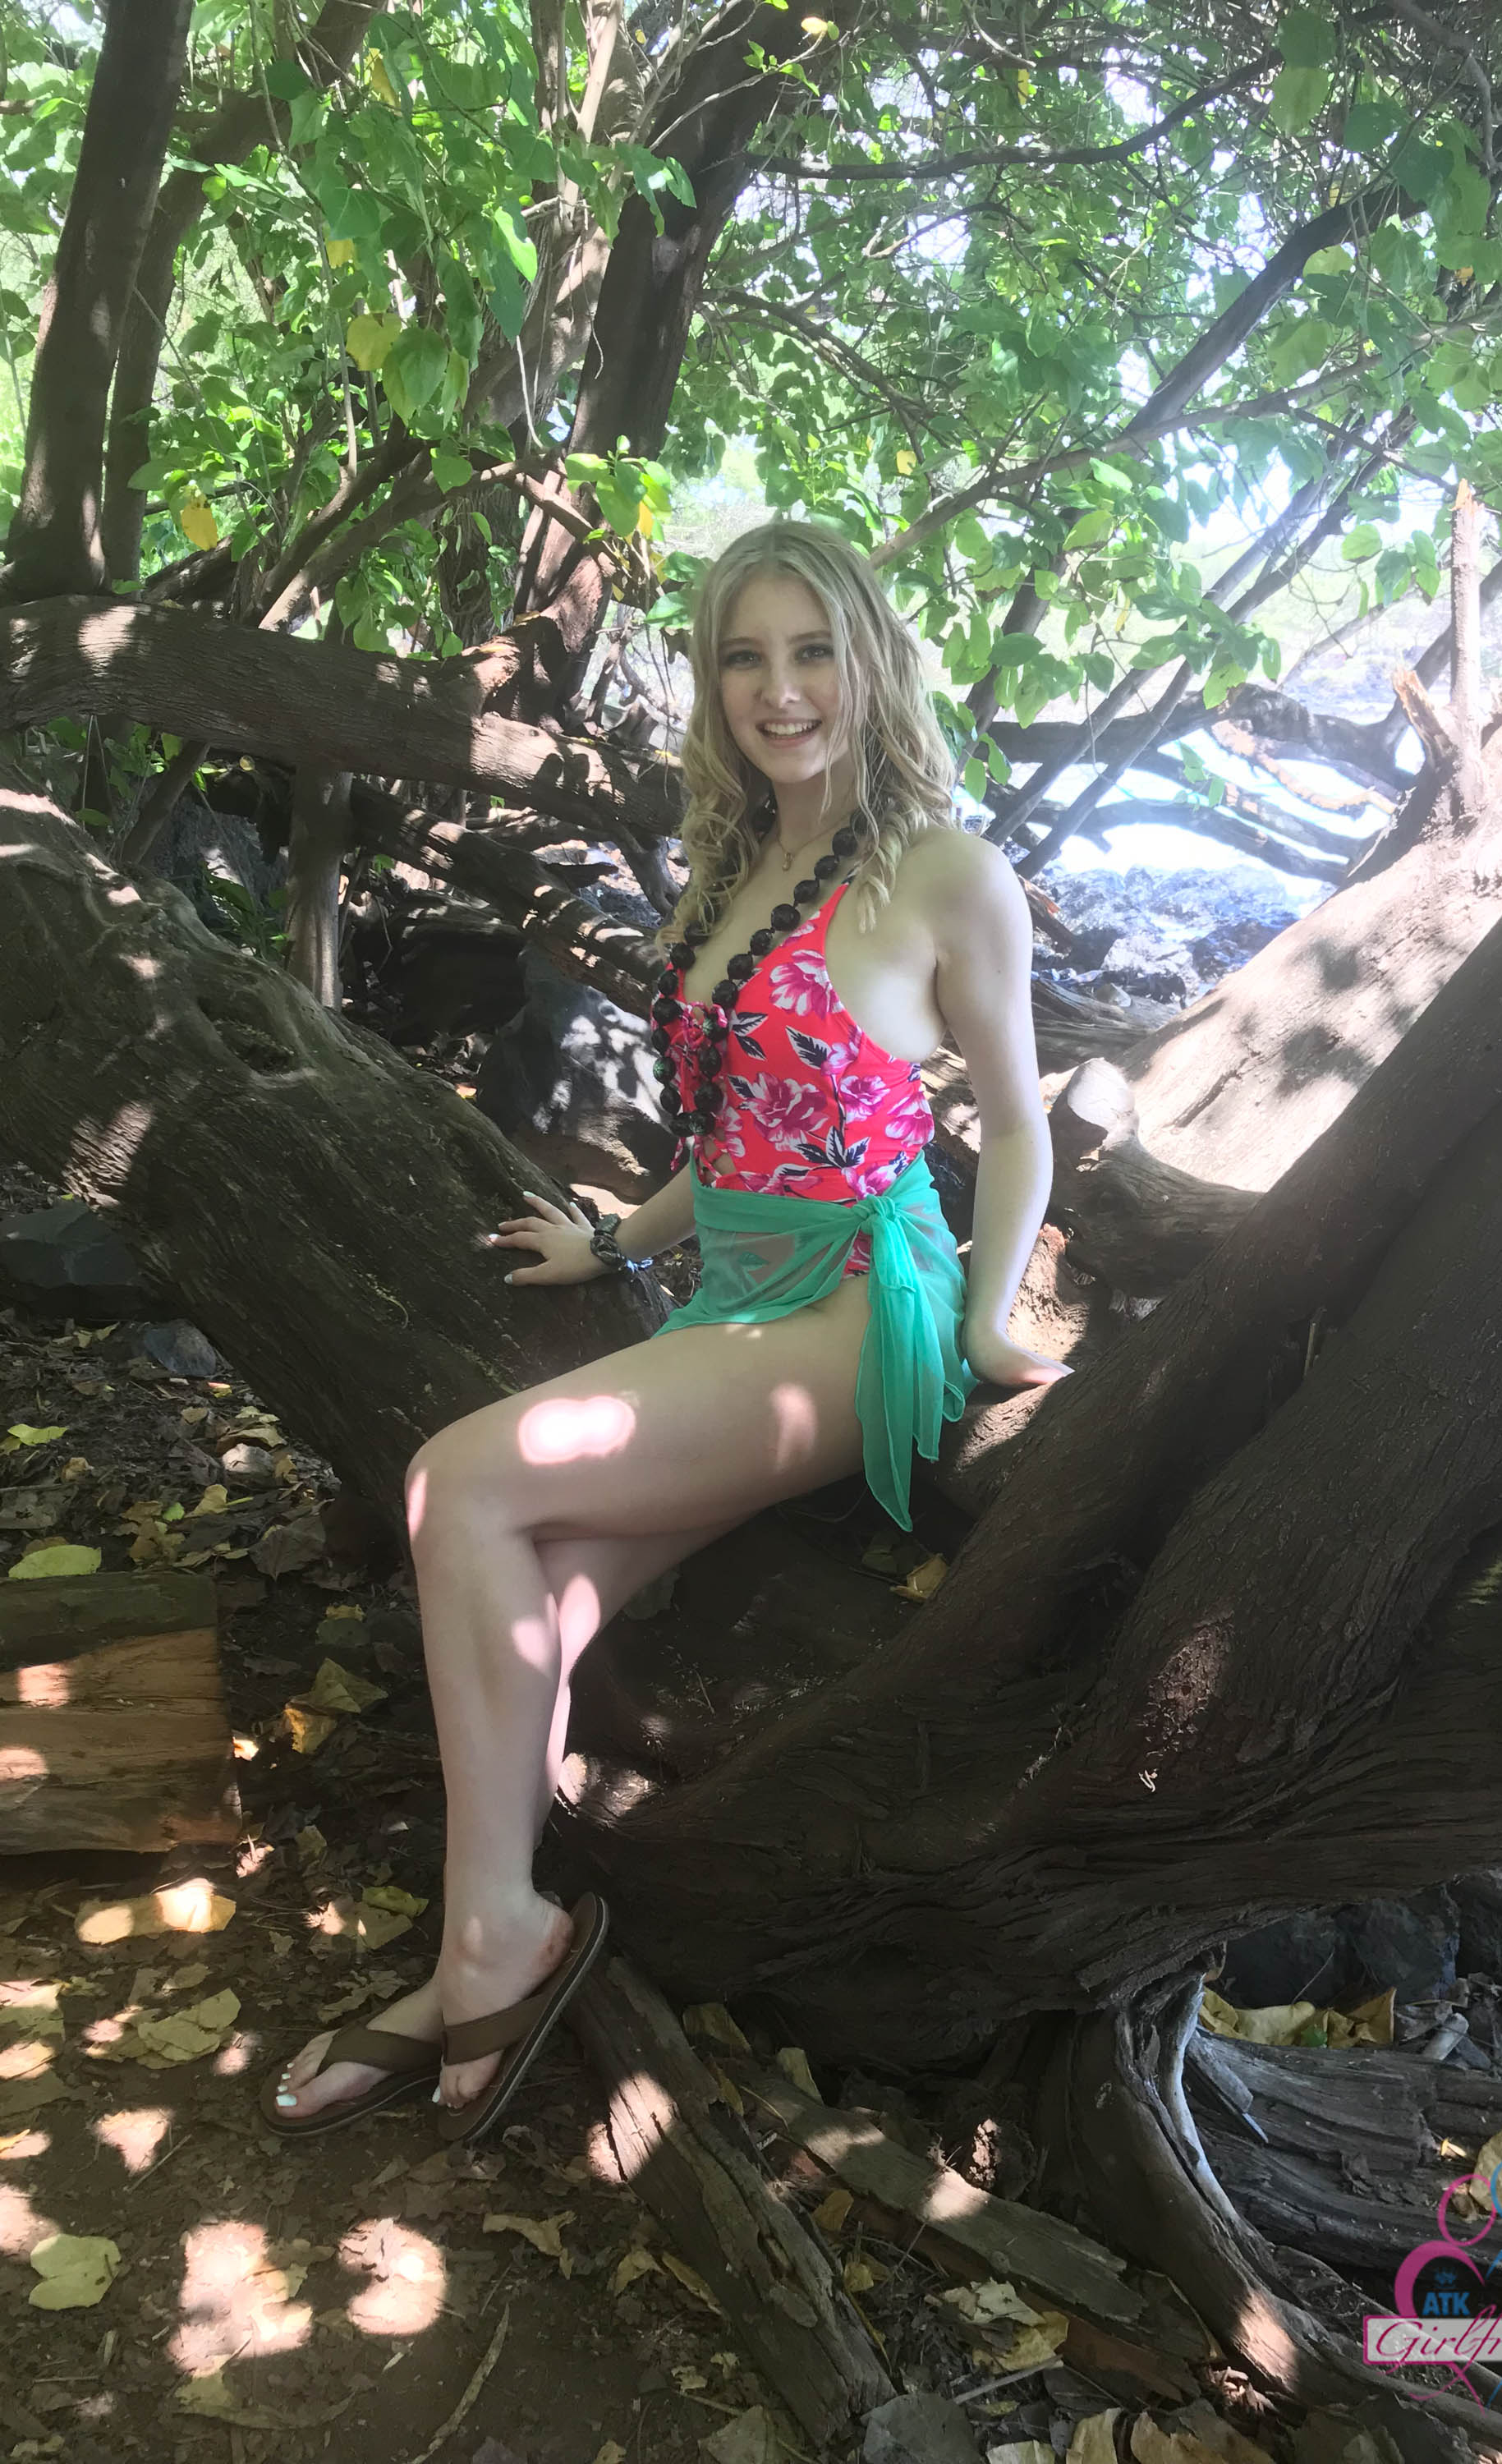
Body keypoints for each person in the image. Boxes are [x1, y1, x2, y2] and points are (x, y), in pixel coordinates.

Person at [262, 521, 1067, 2145]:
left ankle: (492, 1944)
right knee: (536, 1598)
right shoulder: (736, 868)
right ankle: (483, 1936)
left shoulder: (945, 874)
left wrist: (985, 1318)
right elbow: (737, 1128)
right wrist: (618, 1236)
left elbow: (1018, 1121)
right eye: (744, 657)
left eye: (812, 650)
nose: (782, 690)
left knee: (454, 1483)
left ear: (871, 659)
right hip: (729, 1304)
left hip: (854, 1314)